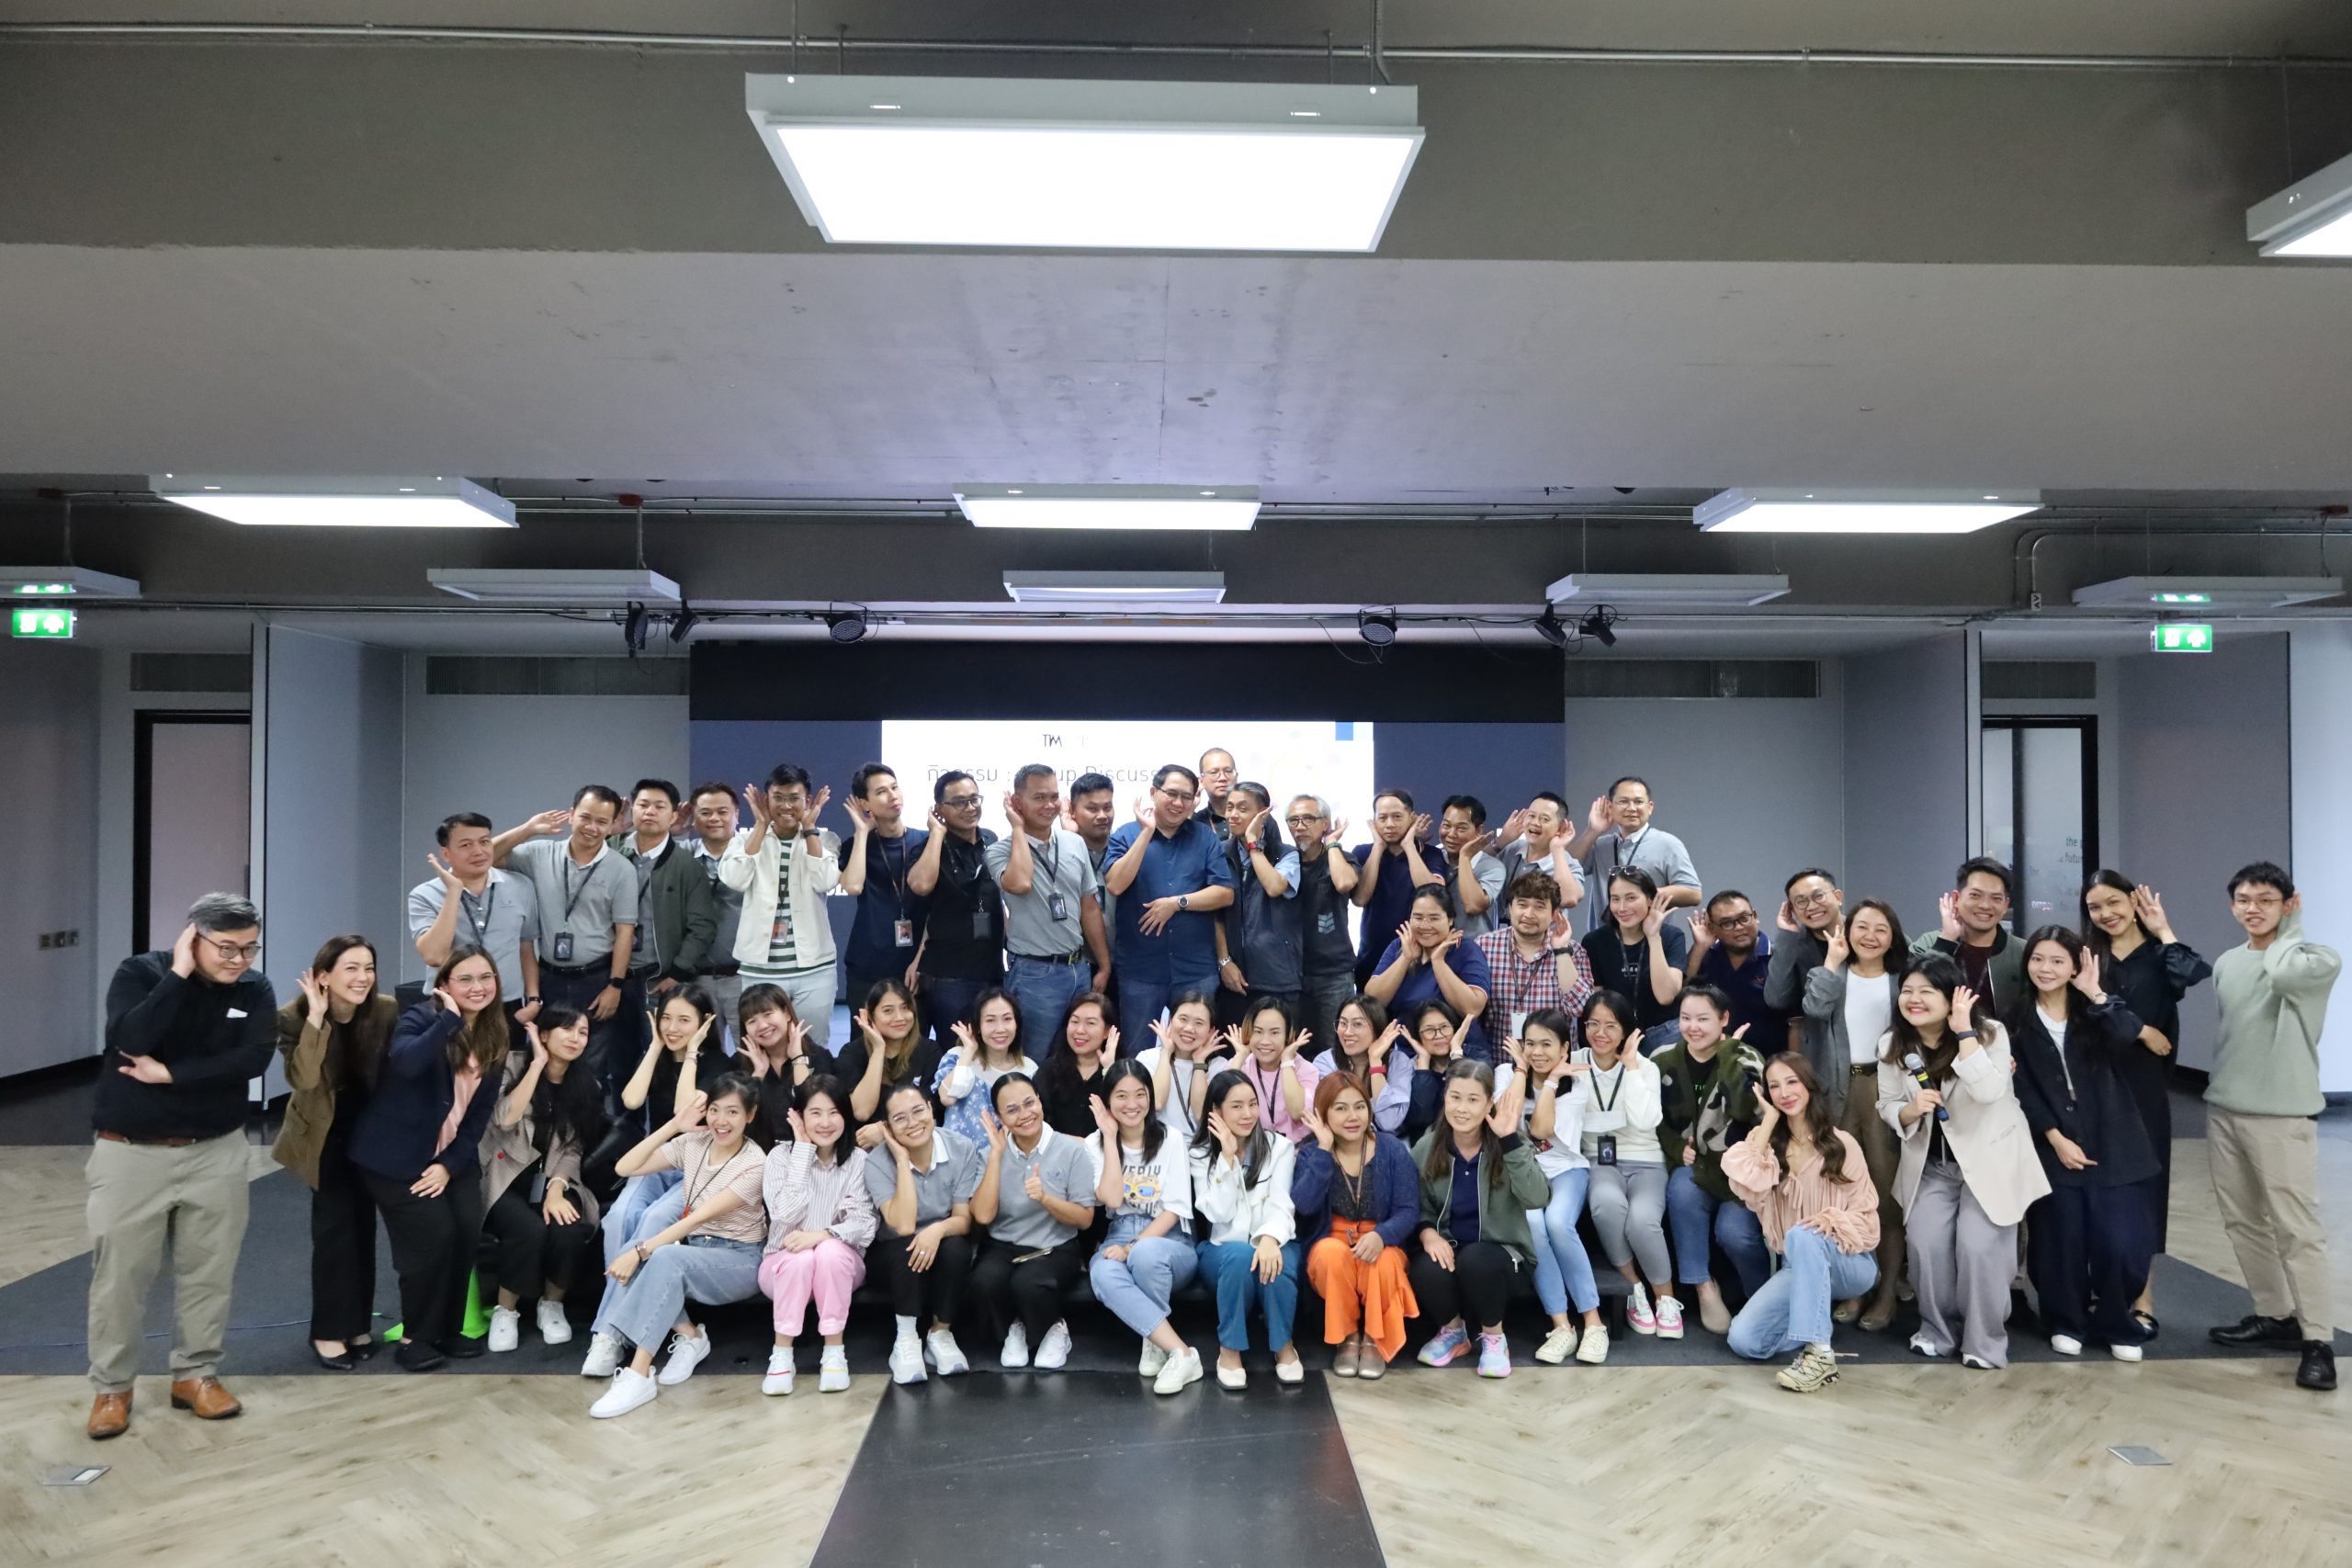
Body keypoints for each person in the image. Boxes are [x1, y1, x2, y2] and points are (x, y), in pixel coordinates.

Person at [85, 894, 276, 1438]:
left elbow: (252, 1060)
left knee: (208, 1272)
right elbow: (131, 1038)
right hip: (131, 1152)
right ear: (193, 937)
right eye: (227, 948)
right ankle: (112, 1388)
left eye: (249, 948)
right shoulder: (141, 974)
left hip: (216, 1150)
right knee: (121, 1277)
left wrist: (171, 1074)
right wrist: (179, 975)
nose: (239, 960)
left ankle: (195, 1375)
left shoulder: (253, 989)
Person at [2203, 862, 2340, 1392]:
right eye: (2243, 899)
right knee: (2244, 1222)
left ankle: (2318, 1340)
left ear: (2289, 904)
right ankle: (2275, 1314)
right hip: (2225, 1108)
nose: (2253, 908)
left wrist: (2292, 929)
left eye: (2266, 899)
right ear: (2232, 906)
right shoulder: (2227, 962)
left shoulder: (2315, 960)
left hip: (2282, 1115)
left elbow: (2281, 976)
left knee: (2297, 1231)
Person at [1876, 953, 2049, 1370]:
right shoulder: (1893, 1044)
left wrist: (1964, 1033)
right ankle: (1937, 1332)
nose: (1914, 999)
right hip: (1932, 1165)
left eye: (1926, 991)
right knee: (1925, 1244)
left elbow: (1989, 1092)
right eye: (1907, 991)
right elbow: (1887, 1103)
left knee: (1979, 1248)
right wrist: (1910, 1110)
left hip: (1990, 1163)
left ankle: (1984, 1342)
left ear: (1952, 996)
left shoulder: (1990, 1035)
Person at [349, 945, 510, 1371]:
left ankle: (447, 1328)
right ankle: (415, 1337)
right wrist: (449, 1019)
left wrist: (448, 1165)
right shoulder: (420, 1018)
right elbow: (406, 1063)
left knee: (465, 1232)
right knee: (431, 1238)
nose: (478, 987)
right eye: (465, 979)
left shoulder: (495, 1032)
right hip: (395, 1157)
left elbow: (478, 1116)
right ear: (443, 986)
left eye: (486, 978)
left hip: (450, 1156)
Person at [2007, 926, 2157, 1362]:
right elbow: (2020, 1086)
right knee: (2060, 1241)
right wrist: (2054, 1137)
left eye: (2058, 961)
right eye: (2038, 959)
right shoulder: (2015, 1018)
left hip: (2116, 1142)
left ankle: (2116, 1321)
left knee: (2122, 1242)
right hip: (2054, 1144)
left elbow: (2128, 1036)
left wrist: (2095, 993)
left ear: (2076, 966)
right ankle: (2066, 1320)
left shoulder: (2097, 1009)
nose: (2046, 969)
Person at [583, 1076, 769, 1417]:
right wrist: (673, 1126)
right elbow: (625, 1166)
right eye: (714, 1110)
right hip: (697, 1250)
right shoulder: (695, 1142)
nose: (721, 1121)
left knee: (658, 1255)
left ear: (750, 1115)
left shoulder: (755, 1163)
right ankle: (691, 1335)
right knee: (645, 1252)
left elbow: (696, 1219)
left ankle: (639, 1375)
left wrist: (640, 1251)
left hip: (740, 1260)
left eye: (732, 1112)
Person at [2081, 871, 2211, 1335]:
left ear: (2134, 902)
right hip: (2094, 1085)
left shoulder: (2161, 956)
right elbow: (2084, 1014)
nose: (2106, 914)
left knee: (2145, 1193)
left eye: (2114, 902)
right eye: (2096, 907)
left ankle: (2143, 1295)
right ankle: (2098, 1291)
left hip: (2145, 1088)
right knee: (2095, 1192)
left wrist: (2164, 929)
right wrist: (2140, 1028)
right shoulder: (2088, 957)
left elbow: (2193, 973)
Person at [1723, 1055, 1883, 1393]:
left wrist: (1831, 1221)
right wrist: (1768, 1120)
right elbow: (1742, 1180)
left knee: (1804, 1234)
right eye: (1774, 1086)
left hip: (1850, 1264)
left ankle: (1819, 1355)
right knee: (1743, 1340)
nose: (1784, 1093)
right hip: (1796, 1266)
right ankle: (1811, 1321)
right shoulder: (1768, 1145)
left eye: (1792, 1082)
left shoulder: (1841, 1144)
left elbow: (1868, 1220)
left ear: (1809, 1085)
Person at [273, 934, 397, 1371]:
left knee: (363, 1230)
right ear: (323, 976)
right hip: (323, 1137)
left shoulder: (384, 1011)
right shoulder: (293, 1017)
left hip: (371, 1135)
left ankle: (357, 1325)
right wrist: (317, 1018)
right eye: (352, 969)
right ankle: (327, 1332)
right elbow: (304, 1079)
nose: (363, 978)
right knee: (334, 1235)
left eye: (369, 968)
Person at [1798, 898, 1909, 1331]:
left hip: (1885, 1090)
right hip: (1838, 1091)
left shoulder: (1904, 979)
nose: (1870, 936)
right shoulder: (1828, 974)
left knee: (1886, 1196)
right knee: (1842, 1193)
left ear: (1893, 936)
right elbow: (1814, 1010)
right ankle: (1855, 1287)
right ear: (1847, 931)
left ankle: (1887, 1292)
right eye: (1861, 926)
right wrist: (1831, 961)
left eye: (1881, 928)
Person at [493, 788, 639, 1112]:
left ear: (612, 825)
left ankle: (584, 1139)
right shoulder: (539, 853)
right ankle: (544, 1134)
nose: (592, 827)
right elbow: (485, 856)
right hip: (550, 978)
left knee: (591, 1069)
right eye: (585, 817)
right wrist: (527, 829)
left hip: (596, 979)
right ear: (571, 814)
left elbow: (625, 933)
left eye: (602, 821)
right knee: (543, 1061)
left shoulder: (621, 869)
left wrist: (615, 985)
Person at [1408, 1059, 1546, 1378]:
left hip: (1503, 1257)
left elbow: (1537, 1197)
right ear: (1445, 1099)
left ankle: (1495, 1338)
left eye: (1473, 1100)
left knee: (1476, 1259)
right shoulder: (1428, 1146)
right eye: (1455, 1097)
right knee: (1425, 1265)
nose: (1462, 1108)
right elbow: (1417, 1204)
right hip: (1452, 1248)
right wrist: (1428, 1233)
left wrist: (1510, 1141)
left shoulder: (1510, 1142)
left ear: (1488, 1104)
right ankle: (1454, 1332)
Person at [481, 1008, 605, 1353]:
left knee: (569, 1227)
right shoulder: (511, 1065)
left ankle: (551, 1304)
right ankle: (506, 1310)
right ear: (544, 1034)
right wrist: (537, 1065)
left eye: (582, 1032)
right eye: (567, 1029)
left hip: (552, 1176)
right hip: (504, 1175)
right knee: (528, 1230)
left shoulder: (586, 1084)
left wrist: (557, 1187)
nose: (575, 1038)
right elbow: (504, 1119)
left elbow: (574, 1147)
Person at [1654, 985, 1770, 1335]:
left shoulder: (1746, 1057)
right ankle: (1703, 1287)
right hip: (1696, 1168)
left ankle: (1764, 1297)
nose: (1693, 1027)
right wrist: (1676, 1147)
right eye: (1685, 1018)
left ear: (1724, 1019)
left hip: (1739, 1175)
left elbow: (1745, 1110)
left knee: (1734, 1234)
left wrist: (1730, 1054)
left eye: (1703, 1019)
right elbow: (1651, 1120)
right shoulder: (1662, 1061)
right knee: (1682, 1188)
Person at [1086, 1058, 1206, 1394]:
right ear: (1108, 1100)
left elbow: (1174, 1210)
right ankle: (1178, 1351)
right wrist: (1110, 1137)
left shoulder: (1171, 1139)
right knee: (1102, 1273)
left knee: (1146, 1253)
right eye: (1121, 1096)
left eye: (1140, 1094)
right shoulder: (1094, 1143)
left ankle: (1155, 1341)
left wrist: (1132, 1247)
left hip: (1172, 1239)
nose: (1132, 1104)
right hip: (1119, 1230)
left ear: (1151, 1098)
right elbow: (1111, 1199)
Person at [969, 1073, 1099, 1371]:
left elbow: (1085, 1219)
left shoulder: (1072, 1149)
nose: (1024, 1114)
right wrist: (996, 1157)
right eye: (1012, 1110)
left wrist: (1045, 1199)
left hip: (1056, 1246)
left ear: (1040, 1101)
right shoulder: (989, 1153)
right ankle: (1016, 1325)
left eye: (1029, 1103)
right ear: (999, 1117)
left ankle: (1054, 1328)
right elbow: (983, 1216)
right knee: (983, 1283)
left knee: (1029, 1283)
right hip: (1003, 1246)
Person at [1294, 1071, 1420, 1378]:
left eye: (1359, 1106)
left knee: (1384, 1262)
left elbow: (1408, 1210)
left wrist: (1382, 1235)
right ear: (1323, 1114)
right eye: (1340, 1108)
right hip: (1333, 1240)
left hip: (1381, 1239)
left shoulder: (1391, 1149)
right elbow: (1304, 1206)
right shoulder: (1311, 1152)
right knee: (1329, 1254)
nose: (1353, 1117)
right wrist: (1324, 1151)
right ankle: (1348, 1338)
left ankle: (1374, 1339)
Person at [756, 1077, 876, 1395]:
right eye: (816, 1113)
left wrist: (821, 1235)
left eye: (834, 1112)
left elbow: (864, 1224)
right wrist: (803, 1152)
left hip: (840, 1265)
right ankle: (782, 1355)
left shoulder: (858, 1161)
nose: (825, 1122)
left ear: (846, 1116)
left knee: (828, 1252)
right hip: (781, 1265)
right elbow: (783, 1215)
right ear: (799, 1116)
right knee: (800, 1259)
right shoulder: (779, 1157)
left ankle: (834, 1352)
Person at [1568, 989, 1677, 1337]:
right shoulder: (1573, 1063)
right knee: (1606, 1203)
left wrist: (1630, 1068)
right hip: (1599, 1162)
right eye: (1593, 1024)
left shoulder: (1645, 1067)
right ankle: (1635, 1289)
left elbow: (1646, 1121)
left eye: (1611, 1026)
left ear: (1626, 1029)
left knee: (1643, 1221)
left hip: (1646, 1161)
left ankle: (1666, 1299)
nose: (1600, 1033)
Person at [1104, 764, 1236, 1046]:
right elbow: (1115, 885)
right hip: (1140, 971)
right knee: (1137, 1053)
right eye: (1171, 794)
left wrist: (1178, 903)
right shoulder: (1126, 835)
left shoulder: (1205, 837)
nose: (1178, 803)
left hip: (1195, 970)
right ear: (1154, 792)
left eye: (1186, 797)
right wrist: (1146, 834)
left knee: (1198, 1051)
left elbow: (1225, 893)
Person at [1190, 1069, 1304, 1388]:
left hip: (1275, 1238)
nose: (1248, 1114)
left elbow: (1282, 1204)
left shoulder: (1279, 1147)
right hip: (1223, 1250)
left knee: (1278, 1261)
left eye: (1253, 1104)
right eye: (1237, 1106)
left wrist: (1268, 1239)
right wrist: (1227, 1159)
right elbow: (1218, 1212)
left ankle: (1283, 1346)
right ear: (1216, 1111)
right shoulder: (1200, 1153)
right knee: (1240, 1256)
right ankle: (1230, 1349)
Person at [865, 1082, 982, 1383]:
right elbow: (902, 1225)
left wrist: (937, 1230)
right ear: (887, 1127)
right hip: (891, 1253)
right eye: (900, 1118)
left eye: (918, 1111)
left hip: (938, 1247)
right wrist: (901, 1160)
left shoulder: (960, 1148)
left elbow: (963, 1220)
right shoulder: (877, 1161)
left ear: (931, 1109)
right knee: (907, 1243)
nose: (913, 1122)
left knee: (957, 1246)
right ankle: (906, 1339)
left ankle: (940, 1334)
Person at [989, 763, 1110, 1053]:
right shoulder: (999, 851)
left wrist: (1104, 965)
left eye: (1054, 796)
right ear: (1017, 802)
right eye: (1039, 798)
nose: (1049, 805)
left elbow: (1089, 908)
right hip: (1034, 973)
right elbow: (1020, 883)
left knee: (1079, 1055)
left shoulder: (1074, 843)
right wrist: (1017, 827)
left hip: (1079, 968)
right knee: (1033, 1058)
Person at [719, 765, 842, 1051]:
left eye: (794, 798)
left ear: (807, 801)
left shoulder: (824, 839)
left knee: (813, 1048)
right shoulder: (744, 840)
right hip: (759, 969)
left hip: (814, 969)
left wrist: (810, 829)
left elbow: (825, 881)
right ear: (766, 799)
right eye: (779, 798)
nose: (786, 806)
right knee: (761, 1047)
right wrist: (760, 826)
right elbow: (735, 879)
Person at [1513, 1010, 1608, 1364]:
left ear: (1565, 1048)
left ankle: (1594, 1324)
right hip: (1527, 1174)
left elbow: (1539, 1130)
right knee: (1533, 1226)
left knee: (1557, 1223)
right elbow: (1504, 1119)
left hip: (1567, 1170)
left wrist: (1551, 1081)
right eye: (1530, 1044)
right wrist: (1519, 1072)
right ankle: (1562, 1327)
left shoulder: (1576, 1088)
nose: (1537, 1052)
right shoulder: (1509, 1075)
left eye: (1546, 1044)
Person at [409, 813, 540, 1037]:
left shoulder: (521, 886)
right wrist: (453, 892)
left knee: (508, 1061)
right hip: (449, 1006)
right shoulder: (424, 895)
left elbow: (526, 947)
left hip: (506, 1005)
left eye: (484, 842)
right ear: (446, 854)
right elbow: (434, 956)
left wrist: (534, 999)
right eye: (466, 845)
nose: (478, 851)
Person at [909, 770, 1006, 1046]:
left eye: (974, 799)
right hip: (950, 976)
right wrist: (937, 833)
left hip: (992, 970)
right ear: (939, 809)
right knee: (956, 1052)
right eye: (959, 802)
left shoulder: (991, 840)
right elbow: (920, 885)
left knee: (992, 1049)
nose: (970, 807)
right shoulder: (928, 848)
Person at [618, 779, 718, 1031]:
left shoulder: (687, 865)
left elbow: (702, 927)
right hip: (613, 977)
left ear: (673, 816)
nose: (650, 812)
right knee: (617, 1051)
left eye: (659, 806)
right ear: (633, 809)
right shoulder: (612, 852)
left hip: (660, 977)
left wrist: (676, 974)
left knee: (662, 1047)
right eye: (643, 805)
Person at [1366, 886, 1496, 1062]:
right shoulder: (1399, 946)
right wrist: (1405, 958)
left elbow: (1472, 1009)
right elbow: (1373, 1001)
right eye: (1418, 917)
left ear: (1450, 919)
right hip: (1409, 1054)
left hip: (1462, 1055)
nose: (1425, 925)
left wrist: (1438, 962)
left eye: (1434, 918)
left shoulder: (1466, 950)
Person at [837, 762, 930, 1006]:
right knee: (865, 1031)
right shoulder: (855, 846)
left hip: (915, 967)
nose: (893, 796)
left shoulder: (926, 841)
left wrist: (921, 960)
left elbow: (937, 909)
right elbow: (853, 886)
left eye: (894, 787)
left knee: (914, 1031)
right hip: (867, 967)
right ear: (864, 804)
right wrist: (862, 832)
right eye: (881, 792)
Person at [1476, 868, 1595, 1052]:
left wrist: (1561, 951)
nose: (1529, 914)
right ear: (1510, 908)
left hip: (1554, 1063)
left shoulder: (1574, 952)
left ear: (1555, 914)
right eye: (1522, 905)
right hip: (1499, 1062)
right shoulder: (1485, 946)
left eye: (1539, 907)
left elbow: (1580, 1009)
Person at [1216, 782, 1303, 1023]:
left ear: (1263, 813)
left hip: (1277, 976)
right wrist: (1224, 962)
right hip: (1234, 978)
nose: (1233, 815)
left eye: (1242, 808)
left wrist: (1253, 843)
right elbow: (1215, 915)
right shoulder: (1218, 853)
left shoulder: (1286, 853)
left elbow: (1274, 887)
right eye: (1230, 807)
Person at [1566, 777, 1701, 931]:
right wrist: (1593, 831)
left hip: (1651, 938)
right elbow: (1567, 870)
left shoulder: (1668, 843)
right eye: (1623, 802)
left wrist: (1642, 895)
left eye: (1638, 802)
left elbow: (1693, 893)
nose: (1631, 808)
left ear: (1650, 807)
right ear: (1610, 807)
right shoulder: (1601, 844)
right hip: (1602, 938)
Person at [1284, 795, 1362, 1051]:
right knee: (1296, 1049)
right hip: (1291, 973)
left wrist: (1332, 844)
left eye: (1308, 819)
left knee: (1335, 1047)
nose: (1300, 826)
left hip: (1334, 972)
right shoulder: (1285, 861)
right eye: (1293, 820)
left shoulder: (1341, 857)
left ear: (1325, 823)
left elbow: (1344, 883)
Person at [1578, 867, 1690, 1043]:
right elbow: (1595, 1003)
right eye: (1615, 899)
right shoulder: (1595, 941)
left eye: (1631, 898)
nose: (1622, 908)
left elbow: (1666, 996)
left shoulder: (1672, 936)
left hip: (1663, 1034)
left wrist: (1653, 937)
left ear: (1650, 899)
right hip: (1614, 1035)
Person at [1350, 791, 1445, 989]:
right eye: (1382, 818)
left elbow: (1434, 895)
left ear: (1412, 818)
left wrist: (1409, 845)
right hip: (1371, 956)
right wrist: (1378, 847)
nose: (1389, 824)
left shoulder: (1431, 854)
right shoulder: (1362, 852)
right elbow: (1360, 899)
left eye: (1397, 817)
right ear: (1373, 821)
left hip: (1418, 956)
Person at [1911, 857, 2029, 1016]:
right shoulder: (1929, 943)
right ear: (1956, 899)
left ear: (2005, 905)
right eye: (1975, 895)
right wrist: (1946, 941)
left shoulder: (2023, 952)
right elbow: (1912, 991)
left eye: (1996, 898)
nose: (1985, 905)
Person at [732, 983, 837, 1150]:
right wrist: (758, 1074)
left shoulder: (819, 1057)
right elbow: (737, 1118)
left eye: (768, 1014)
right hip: (757, 1154)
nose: (762, 1026)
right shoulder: (739, 1063)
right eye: (752, 1021)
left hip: (810, 1151)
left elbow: (813, 1109)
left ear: (787, 1013)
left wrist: (797, 1058)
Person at [931, 986, 1040, 1144]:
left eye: (1007, 1019)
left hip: (1005, 1155)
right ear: (978, 1026)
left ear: (1017, 1024)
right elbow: (947, 1098)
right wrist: (969, 1051)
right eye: (990, 1020)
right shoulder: (958, 1056)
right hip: (956, 1153)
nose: (1000, 1029)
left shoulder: (1029, 1069)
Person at [1683, 891, 1781, 1053]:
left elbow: (1796, 1023)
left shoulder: (1777, 957)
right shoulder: (1707, 955)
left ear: (1755, 916)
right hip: (1716, 1056)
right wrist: (1700, 948)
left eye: (1744, 918)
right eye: (1727, 923)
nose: (1739, 927)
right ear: (1712, 928)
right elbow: (1684, 995)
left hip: (1770, 1058)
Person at [684, 783, 747, 1034]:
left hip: (744, 977)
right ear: (693, 816)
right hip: (697, 979)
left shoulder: (753, 854)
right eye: (705, 812)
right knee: (701, 1051)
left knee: (751, 1050)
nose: (714, 819)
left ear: (736, 815)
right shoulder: (681, 855)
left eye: (722, 812)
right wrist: (671, 831)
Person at [1765, 867, 1845, 1061]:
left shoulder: (1866, 934)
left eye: (1818, 896)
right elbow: (1776, 999)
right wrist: (1787, 936)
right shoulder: (1793, 944)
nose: (1811, 906)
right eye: (1801, 901)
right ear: (1791, 909)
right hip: (1821, 1054)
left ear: (1838, 897)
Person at [840, 980, 941, 1131]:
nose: (899, 1017)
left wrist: (885, 1131)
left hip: (914, 1136)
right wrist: (878, 1050)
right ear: (871, 1016)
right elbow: (861, 1112)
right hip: (863, 1142)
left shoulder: (929, 1050)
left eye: (905, 1008)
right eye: (888, 1011)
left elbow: (928, 1112)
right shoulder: (852, 1053)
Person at [1311, 994, 1415, 1134]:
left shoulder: (1399, 1062)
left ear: (1377, 1028)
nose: (1347, 1032)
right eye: (1343, 1023)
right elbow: (1335, 1117)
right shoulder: (1325, 1061)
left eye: (1357, 1024)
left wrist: (1375, 1062)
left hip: (1385, 1141)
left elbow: (1389, 1122)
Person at [1136, 990, 1227, 1143]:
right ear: (1171, 1020)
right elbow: (1156, 1103)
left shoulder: (1219, 1066)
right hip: (1158, 1146)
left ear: (1210, 1031)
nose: (1189, 1028)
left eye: (1199, 1023)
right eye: (1183, 1019)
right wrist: (1165, 1053)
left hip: (1201, 1150)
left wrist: (1199, 1062)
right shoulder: (1147, 1058)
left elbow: (1201, 1115)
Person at [1233, 994, 1320, 1146]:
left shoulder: (1307, 1070)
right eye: (1258, 1031)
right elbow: (1219, 1108)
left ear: (1288, 1035)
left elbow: (1297, 1112)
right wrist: (1240, 1056)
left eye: (1274, 1032)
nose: (1265, 1041)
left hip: (1298, 1152)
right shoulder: (1242, 1065)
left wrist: (1287, 1062)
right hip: (1253, 1150)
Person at [1036, 989, 1119, 1136]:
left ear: (1107, 1031)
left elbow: (1126, 1116)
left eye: (1090, 1023)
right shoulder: (1049, 1069)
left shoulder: (1122, 1070)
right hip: (1058, 1148)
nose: (1080, 1030)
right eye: (1074, 1022)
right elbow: (1038, 1122)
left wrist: (1109, 1069)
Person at [1399, 999, 1479, 1145]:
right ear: (1418, 1036)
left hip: (1471, 1142)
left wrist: (1456, 1055)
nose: (1439, 1035)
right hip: (1427, 1146)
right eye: (1429, 1030)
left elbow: (1464, 1105)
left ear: (1455, 1029)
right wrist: (1423, 1065)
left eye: (1444, 1027)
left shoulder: (1476, 1057)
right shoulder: (1409, 1067)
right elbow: (1420, 1119)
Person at [1496, 791, 1585, 913]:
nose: (1535, 823)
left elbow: (1569, 899)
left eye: (1544, 819)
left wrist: (1558, 849)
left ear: (1561, 827)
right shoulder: (1512, 849)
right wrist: (1501, 840)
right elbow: (1475, 867)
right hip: (1504, 925)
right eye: (1531, 816)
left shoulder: (1566, 863)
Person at [1436, 795, 1509, 939]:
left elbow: (1473, 905)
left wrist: (1465, 857)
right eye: (1446, 825)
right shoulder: (1434, 860)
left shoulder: (1492, 867)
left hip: (1475, 947)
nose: (1451, 834)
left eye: (1461, 828)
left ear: (1479, 830)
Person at [1065, 772, 1122, 938]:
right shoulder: (1061, 850)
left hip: (1124, 950)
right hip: (1075, 951)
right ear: (1072, 810)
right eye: (1092, 809)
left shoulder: (1126, 849)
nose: (1102, 816)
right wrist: (1071, 838)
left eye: (1107, 807)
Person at [1193, 747, 1239, 837]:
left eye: (1228, 771)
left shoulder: (1256, 816)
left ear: (1236, 776)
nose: (1222, 778)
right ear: (1201, 781)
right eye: (1214, 772)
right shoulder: (1195, 822)